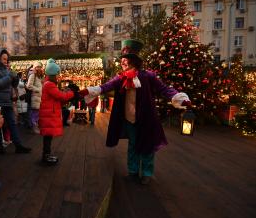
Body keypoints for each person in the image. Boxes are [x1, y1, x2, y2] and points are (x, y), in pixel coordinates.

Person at [79, 39, 191, 185]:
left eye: (125, 60)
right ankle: (132, 171)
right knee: (132, 146)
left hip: (146, 118)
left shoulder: (148, 76)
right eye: (122, 60)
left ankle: (146, 173)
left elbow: (164, 89)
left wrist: (179, 98)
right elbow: (106, 86)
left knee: (147, 146)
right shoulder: (120, 78)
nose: (122, 63)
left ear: (133, 61)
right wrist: (89, 91)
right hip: (128, 118)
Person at [0, 48, 31, 154]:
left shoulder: (6, 70)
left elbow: (13, 85)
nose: (6, 61)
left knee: (12, 123)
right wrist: (9, 76)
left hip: (6, 101)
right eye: (3, 59)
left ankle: (18, 145)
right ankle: (0, 147)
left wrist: (14, 78)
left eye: (7, 59)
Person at [39, 58, 75, 165]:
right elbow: (61, 96)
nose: (59, 77)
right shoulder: (49, 85)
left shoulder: (48, 84)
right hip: (48, 115)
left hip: (48, 114)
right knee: (48, 137)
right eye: (57, 75)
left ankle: (47, 155)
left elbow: (57, 98)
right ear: (52, 75)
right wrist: (72, 93)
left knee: (48, 137)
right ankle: (46, 157)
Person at [26, 61, 44, 134]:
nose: (39, 68)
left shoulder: (38, 76)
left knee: (36, 113)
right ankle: (34, 127)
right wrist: (38, 90)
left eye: (40, 67)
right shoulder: (33, 75)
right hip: (35, 96)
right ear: (35, 67)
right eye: (38, 67)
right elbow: (28, 85)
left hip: (38, 97)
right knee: (34, 113)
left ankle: (35, 126)